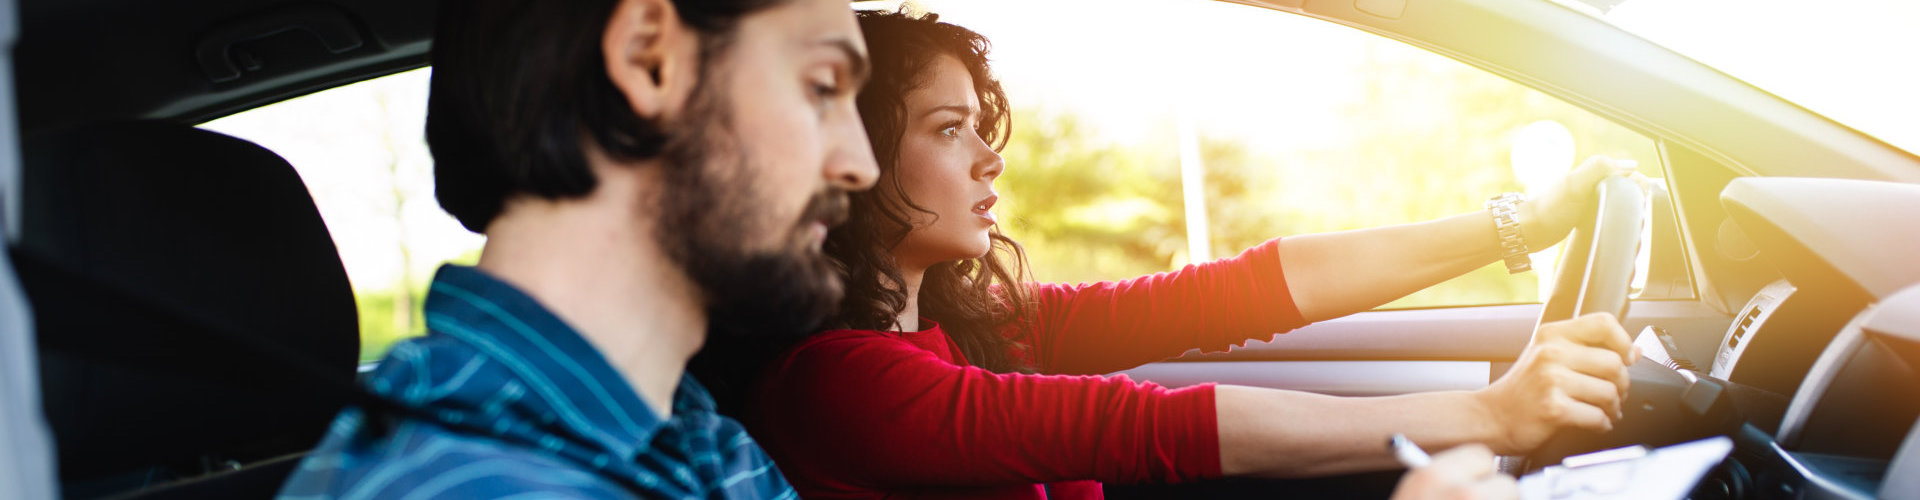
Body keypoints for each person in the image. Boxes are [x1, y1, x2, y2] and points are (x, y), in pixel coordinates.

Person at [743, 10, 1634, 499]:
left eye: (984, 126)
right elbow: (1144, 429)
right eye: (949, 130)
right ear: (848, 158)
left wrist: (1512, 227)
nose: (991, 156)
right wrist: (1489, 415)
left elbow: (1241, 294)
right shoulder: (838, 384)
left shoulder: (979, 325)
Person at [274, 0, 881, 497]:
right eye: (822, 86)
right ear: (648, 59)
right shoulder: (470, 486)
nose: (862, 165)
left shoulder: (704, 444)